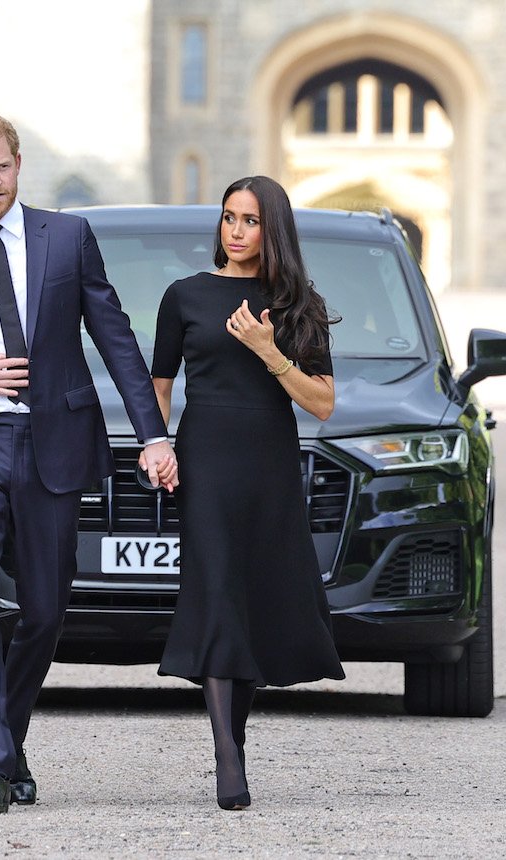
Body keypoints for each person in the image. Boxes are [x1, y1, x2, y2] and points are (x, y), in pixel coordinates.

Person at [0, 112, 177, 814]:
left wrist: (154, 434)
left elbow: (115, 340)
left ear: (19, 164)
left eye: (4, 168)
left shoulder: (68, 237)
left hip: (52, 446)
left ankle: (7, 735)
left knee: (46, 610)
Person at [151, 175, 345, 811]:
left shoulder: (298, 307)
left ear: (273, 231)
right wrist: (160, 446)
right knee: (216, 590)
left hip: (267, 462)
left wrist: (270, 351)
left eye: (250, 221)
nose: (235, 232)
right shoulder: (183, 297)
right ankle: (227, 757)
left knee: (252, 594)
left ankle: (230, 740)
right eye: (229, 218)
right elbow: (159, 384)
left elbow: (321, 404)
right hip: (204, 460)